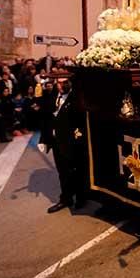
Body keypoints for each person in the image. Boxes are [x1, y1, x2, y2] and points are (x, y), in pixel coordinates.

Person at [47, 76, 87, 213]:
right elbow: (47, 117)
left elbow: (80, 120)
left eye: (64, 82)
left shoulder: (76, 98)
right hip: (56, 140)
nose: (60, 85)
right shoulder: (53, 96)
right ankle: (66, 198)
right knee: (62, 172)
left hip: (70, 141)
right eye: (58, 82)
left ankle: (81, 198)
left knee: (76, 170)